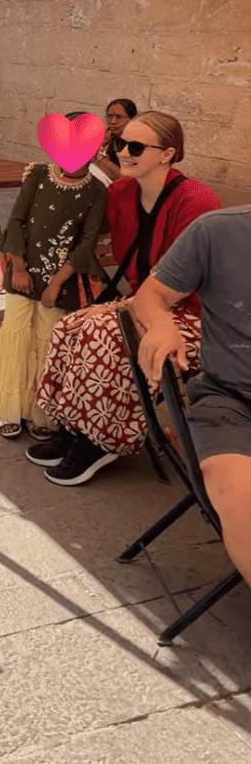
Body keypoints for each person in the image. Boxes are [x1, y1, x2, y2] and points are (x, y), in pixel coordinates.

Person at [28, 111, 221, 485]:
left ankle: (103, 440)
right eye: (119, 145)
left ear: (167, 154)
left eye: (135, 146)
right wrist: (45, 184)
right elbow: (80, 221)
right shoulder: (121, 192)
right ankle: (74, 426)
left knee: (107, 336)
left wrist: (128, 306)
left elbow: (189, 280)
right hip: (143, 302)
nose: (123, 153)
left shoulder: (195, 200)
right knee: (72, 326)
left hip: (196, 316)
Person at [135, 205, 251, 588]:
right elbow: (150, 294)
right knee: (241, 504)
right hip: (231, 405)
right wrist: (162, 324)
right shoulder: (218, 231)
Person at [0, 115, 106, 439]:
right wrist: (18, 268)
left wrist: (56, 284)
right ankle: (9, 408)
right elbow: (17, 219)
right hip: (24, 273)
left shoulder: (96, 192)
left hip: (60, 281)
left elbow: (85, 243)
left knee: (48, 342)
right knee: (16, 334)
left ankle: (41, 412)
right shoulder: (37, 175)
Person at [89, 98, 137, 184]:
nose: (113, 122)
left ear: (132, 119)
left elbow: (127, 180)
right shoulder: (107, 138)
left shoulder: (137, 144)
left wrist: (98, 155)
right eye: (110, 116)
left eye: (119, 117)